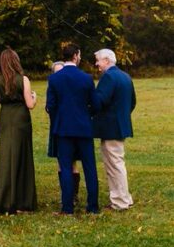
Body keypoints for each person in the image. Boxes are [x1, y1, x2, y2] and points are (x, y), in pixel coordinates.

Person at [45, 43, 99, 215]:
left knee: (66, 167)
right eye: (80, 55)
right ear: (75, 55)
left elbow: (51, 106)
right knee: (90, 167)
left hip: (63, 129)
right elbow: (95, 105)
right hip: (83, 128)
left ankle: (67, 208)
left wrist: (59, 119)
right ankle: (92, 206)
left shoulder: (54, 79)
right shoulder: (86, 78)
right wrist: (85, 114)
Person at [0, 47, 37, 214]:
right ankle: (23, 201)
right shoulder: (23, 80)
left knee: (6, 156)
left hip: (5, 119)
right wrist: (35, 97)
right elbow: (30, 105)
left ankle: (5, 200)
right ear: (16, 61)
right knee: (22, 157)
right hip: (20, 119)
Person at [93, 48, 137, 211]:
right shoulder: (125, 76)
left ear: (106, 60)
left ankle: (120, 201)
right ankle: (125, 197)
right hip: (120, 125)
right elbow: (132, 102)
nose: (96, 64)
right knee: (118, 162)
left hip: (110, 127)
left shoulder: (109, 77)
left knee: (114, 165)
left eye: (98, 60)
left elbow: (99, 101)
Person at [46, 61, 81, 205]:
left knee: (72, 163)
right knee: (61, 162)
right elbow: (49, 107)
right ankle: (67, 194)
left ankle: (73, 195)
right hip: (57, 127)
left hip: (70, 127)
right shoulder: (53, 87)